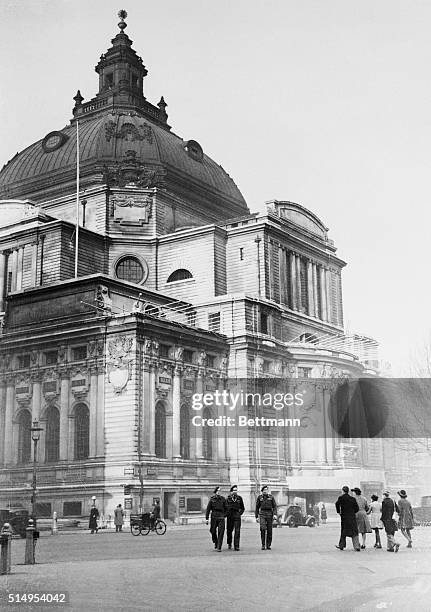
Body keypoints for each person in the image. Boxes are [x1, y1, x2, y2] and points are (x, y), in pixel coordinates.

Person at [335, 486, 360, 551]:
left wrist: (339, 512)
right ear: (348, 491)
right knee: (354, 531)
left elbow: (337, 504)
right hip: (352, 517)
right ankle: (356, 546)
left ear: (342, 491)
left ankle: (341, 545)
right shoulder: (353, 499)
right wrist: (352, 512)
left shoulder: (341, 498)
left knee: (344, 531)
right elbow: (357, 508)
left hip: (344, 517)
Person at [255, 485, 277, 550]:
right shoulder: (260, 498)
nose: (265, 491)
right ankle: (263, 544)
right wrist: (256, 516)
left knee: (269, 530)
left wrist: (275, 514)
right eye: (264, 490)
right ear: (262, 491)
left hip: (270, 514)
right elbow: (257, 507)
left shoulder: (271, 497)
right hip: (262, 514)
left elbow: (275, 506)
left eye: (266, 490)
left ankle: (268, 545)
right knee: (263, 528)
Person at [205, 486, 227, 552]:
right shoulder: (212, 499)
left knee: (221, 532)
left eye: (220, 491)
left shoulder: (223, 499)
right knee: (213, 531)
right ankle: (216, 542)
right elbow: (208, 509)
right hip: (214, 516)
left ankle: (219, 547)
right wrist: (207, 518)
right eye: (218, 490)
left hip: (221, 517)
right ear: (216, 491)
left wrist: (224, 516)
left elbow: (227, 509)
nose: (220, 492)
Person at [226, 485, 245, 551]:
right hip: (230, 516)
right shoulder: (228, 499)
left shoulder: (239, 498)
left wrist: (239, 514)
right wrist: (227, 514)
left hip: (237, 515)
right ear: (231, 491)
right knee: (229, 531)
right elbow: (225, 508)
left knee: (237, 531)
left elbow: (242, 508)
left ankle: (236, 546)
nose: (235, 491)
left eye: (236, 490)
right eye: (234, 490)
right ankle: (229, 543)